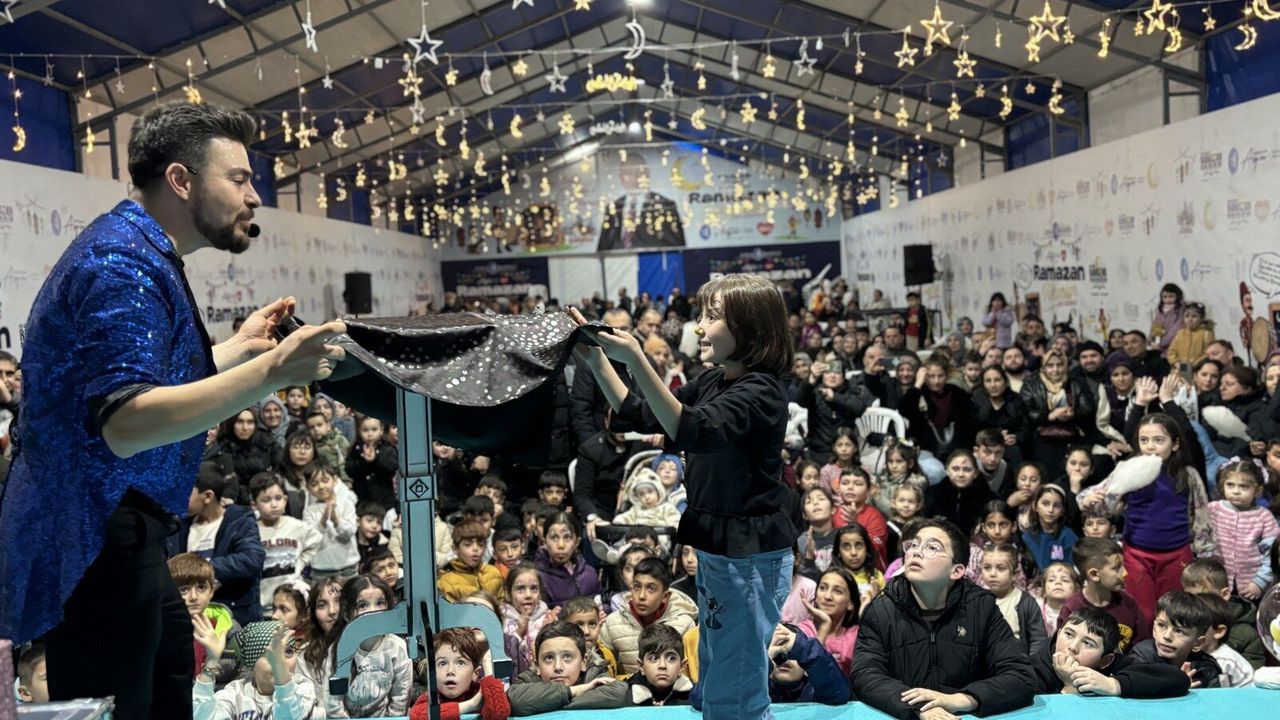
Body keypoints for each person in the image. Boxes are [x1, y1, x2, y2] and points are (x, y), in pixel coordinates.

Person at [0, 102, 345, 718]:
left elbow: (134, 384)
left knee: (166, 692)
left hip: (119, 532)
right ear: (182, 181)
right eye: (238, 179)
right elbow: (127, 421)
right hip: (91, 536)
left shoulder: (142, 251)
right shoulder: (121, 264)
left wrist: (240, 349)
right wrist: (273, 372)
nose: (255, 196)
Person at [569, 273, 797, 720]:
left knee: (736, 688)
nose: (698, 328)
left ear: (749, 329)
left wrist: (636, 357)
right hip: (720, 551)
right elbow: (644, 413)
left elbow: (691, 428)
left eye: (711, 317)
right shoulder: (714, 380)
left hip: (748, 559)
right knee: (715, 672)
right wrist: (598, 361)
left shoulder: (762, 391)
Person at [851, 518, 1036, 719]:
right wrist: (921, 707)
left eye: (932, 547)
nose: (916, 551)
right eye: (913, 544)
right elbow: (865, 676)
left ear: (956, 571)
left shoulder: (981, 608)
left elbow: (1021, 676)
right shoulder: (881, 610)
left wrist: (959, 700)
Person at [173, 462, 266, 626]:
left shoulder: (240, 519)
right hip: (190, 620)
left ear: (208, 496)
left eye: (186, 492)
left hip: (236, 618)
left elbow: (252, 559)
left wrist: (202, 569)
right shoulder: (179, 526)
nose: (179, 498)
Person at [1030, 606, 1190, 698]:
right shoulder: (1033, 670)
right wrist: (1070, 687)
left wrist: (1113, 685)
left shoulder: (1114, 665)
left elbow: (1179, 679)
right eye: (1069, 634)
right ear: (1058, 634)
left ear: (1105, 660)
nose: (1072, 647)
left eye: (1087, 643)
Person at [191, 619, 320, 720]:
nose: (280, 660)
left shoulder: (303, 687)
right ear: (251, 664)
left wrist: (280, 669)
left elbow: (289, 716)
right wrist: (212, 661)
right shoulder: (236, 693)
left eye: (288, 652)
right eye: (270, 654)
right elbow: (202, 717)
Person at [598, 557, 698, 676]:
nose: (641, 596)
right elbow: (602, 669)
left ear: (665, 596)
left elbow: (690, 674)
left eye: (651, 588)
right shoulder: (613, 622)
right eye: (637, 587)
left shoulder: (684, 624)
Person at [506, 621, 626, 714]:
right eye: (548, 658)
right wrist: (574, 690)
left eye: (567, 657)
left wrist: (546, 703)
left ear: (583, 662)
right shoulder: (529, 680)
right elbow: (515, 700)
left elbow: (617, 692)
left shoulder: (593, 674)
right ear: (537, 666)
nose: (558, 667)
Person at [1057, 537, 1149, 652]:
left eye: (1123, 565)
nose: (1125, 573)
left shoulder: (1129, 604)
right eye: (1116, 568)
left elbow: (1141, 650)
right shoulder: (1072, 609)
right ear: (1095, 574)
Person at [1206, 458, 1279, 601]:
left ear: (1257, 490)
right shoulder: (1213, 509)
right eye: (1230, 485)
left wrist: (1260, 581)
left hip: (1249, 586)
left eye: (1244, 487)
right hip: (1214, 582)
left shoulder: (1264, 517)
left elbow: (1272, 554)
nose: (1236, 491)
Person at [408, 627, 511, 720]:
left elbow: (499, 713)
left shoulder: (481, 693)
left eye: (460, 663)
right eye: (442, 663)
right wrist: (472, 704)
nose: (450, 671)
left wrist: (487, 662)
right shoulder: (431, 698)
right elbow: (417, 715)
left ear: (475, 674)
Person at [1181, 558, 1268, 669]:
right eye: (1190, 597)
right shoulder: (1185, 625)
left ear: (1225, 594)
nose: (1195, 604)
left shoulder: (1245, 633)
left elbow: (1252, 673)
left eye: (1204, 597)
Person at [1128, 591, 1222, 689]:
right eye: (1162, 625)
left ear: (1197, 643)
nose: (1167, 636)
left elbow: (1215, 703)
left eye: (1179, 631)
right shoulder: (1141, 657)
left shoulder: (1205, 669)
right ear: (1154, 629)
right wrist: (1176, 690)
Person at [597, 153, 685, 251]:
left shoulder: (665, 205)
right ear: (621, 178)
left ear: (647, 174)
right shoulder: (612, 208)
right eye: (628, 173)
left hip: (650, 264)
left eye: (640, 171)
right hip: (617, 265)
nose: (635, 177)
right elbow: (603, 248)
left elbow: (677, 247)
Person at [439, 521, 505, 602]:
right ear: (455, 549)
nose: (475, 549)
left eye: (481, 544)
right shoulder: (446, 582)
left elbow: (501, 606)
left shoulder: (493, 573)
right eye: (467, 544)